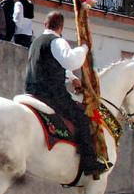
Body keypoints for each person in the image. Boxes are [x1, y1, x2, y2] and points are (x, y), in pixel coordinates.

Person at [25, 11, 108, 178]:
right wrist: (83, 48)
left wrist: (71, 78)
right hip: (52, 95)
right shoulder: (57, 41)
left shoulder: (36, 42)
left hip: (32, 91)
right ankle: (89, 163)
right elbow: (70, 60)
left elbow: (53, 64)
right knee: (83, 118)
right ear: (61, 27)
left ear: (45, 24)